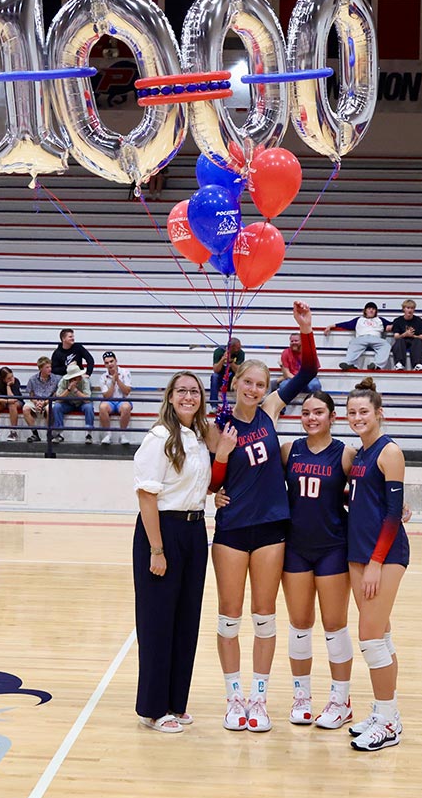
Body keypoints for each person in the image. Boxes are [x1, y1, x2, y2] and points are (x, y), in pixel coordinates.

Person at [209, 301, 319, 733]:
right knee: (228, 616)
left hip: (273, 528)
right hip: (232, 528)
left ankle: (259, 698)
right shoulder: (216, 424)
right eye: (248, 382)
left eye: (261, 383)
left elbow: (308, 371)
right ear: (235, 381)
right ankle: (233, 697)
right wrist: (219, 468)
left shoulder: (273, 409)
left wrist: (305, 329)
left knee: (264, 614)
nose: (254, 389)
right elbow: (210, 483)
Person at [132, 371, 236, 733]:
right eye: (182, 391)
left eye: (195, 391)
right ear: (171, 397)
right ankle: (153, 708)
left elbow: (199, 481)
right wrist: (157, 549)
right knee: (158, 622)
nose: (189, 396)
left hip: (195, 530)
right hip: (163, 530)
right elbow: (147, 495)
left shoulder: (198, 436)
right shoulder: (158, 438)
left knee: (186, 620)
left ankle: (176, 702)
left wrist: (214, 492)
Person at [280, 391, 357, 729]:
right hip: (295, 547)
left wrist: (398, 507)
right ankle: (302, 696)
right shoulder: (289, 451)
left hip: (332, 548)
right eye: (306, 413)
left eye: (319, 412)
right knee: (299, 625)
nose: (311, 418)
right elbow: (257, 483)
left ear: (332, 416)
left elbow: (371, 490)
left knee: (334, 626)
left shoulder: (346, 454)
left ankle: (341, 700)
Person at [345, 376, 409, 752]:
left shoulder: (389, 451)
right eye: (352, 412)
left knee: (369, 638)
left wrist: (375, 562)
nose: (357, 417)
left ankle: (387, 723)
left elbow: (391, 515)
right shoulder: (360, 453)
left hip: (383, 556)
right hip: (359, 552)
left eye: (364, 411)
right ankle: (388, 712)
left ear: (378, 413)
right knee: (381, 635)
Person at [323, 302, 392, 371]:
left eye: (373, 309)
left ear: (376, 311)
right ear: (365, 310)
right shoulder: (359, 319)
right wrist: (331, 326)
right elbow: (346, 324)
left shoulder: (380, 320)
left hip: (376, 338)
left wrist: (392, 326)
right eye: (369, 309)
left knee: (386, 345)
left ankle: (377, 366)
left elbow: (394, 324)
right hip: (361, 338)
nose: (371, 310)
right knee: (353, 343)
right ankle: (350, 364)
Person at [52, 361, 95, 444]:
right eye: (75, 377)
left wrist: (76, 391)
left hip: (82, 403)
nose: (78, 378)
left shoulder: (85, 381)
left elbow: (87, 399)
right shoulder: (63, 381)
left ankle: (88, 434)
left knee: (89, 406)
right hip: (68, 403)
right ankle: (59, 433)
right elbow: (58, 398)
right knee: (57, 406)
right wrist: (68, 390)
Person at [98, 351, 133, 445]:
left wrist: (118, 380)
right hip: (110, 401)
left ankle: (123, 435)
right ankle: (107, 435)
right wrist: (113, 383)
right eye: (107, 363)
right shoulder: (103, 377)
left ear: (116, 361)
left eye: (111, 361)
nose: (110, 364)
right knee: (102, 407)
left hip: (123, 400)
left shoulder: (125, 372)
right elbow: (106, 396)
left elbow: (127, 391)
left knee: (126, 407)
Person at [23, 356, 59, 442]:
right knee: (25, 408)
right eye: (47, 367)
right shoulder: (32, 379)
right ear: (41, 368)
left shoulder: (56, 379)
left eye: (50, 367)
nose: (50, 369)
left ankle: (49, 433)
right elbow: (31, 394)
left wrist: (45, 402)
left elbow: (55, 394)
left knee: (49, 408)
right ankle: (35, 434)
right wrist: (36, 402)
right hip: (36, 400)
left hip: (49, 400)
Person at [279, 332, 322, 396]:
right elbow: (287, 374)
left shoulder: (309, 352)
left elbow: (313, 372)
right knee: (283, 385)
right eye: (292, 341)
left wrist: (303, 381)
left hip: (307, 379)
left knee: (315, 384)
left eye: (296, 341)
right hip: (292, 379)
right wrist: (298, 381)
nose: (293, 343)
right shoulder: (285, 353)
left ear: (302, 342)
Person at [391, 299, 422, 371]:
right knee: (399, 340)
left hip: (414, 341)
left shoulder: (418, 320)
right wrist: (405, 334)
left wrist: (412, 336)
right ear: (404, 309)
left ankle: (417, 364)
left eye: (412, 308)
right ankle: (399, 364)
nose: (410, 310)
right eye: (408, 308)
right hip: (402, 341)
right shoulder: (398, 320)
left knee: (418, 341)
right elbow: (396, 336)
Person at [0, 367, 24, 441]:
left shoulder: (15, 381)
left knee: (12, 405)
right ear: (3, 379)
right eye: (8, 378)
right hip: (4, 401)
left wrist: (8, 386)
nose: (11, 379)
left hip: (17, 401)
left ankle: (13, 432)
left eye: (12, 376)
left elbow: (13, 399)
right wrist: (6, 401)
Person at [210, 337, 245, 406]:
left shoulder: (241, 353)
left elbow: (238, 371)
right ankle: (214, 405)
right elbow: (216, 370)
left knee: (241, 377)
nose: (239, 349)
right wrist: (222, 359)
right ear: (231, 347)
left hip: (233, 379)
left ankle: (239, 404)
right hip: (221, 378)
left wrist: (231, 362)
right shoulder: (219, 351)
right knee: (214, 376)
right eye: (237, 347)